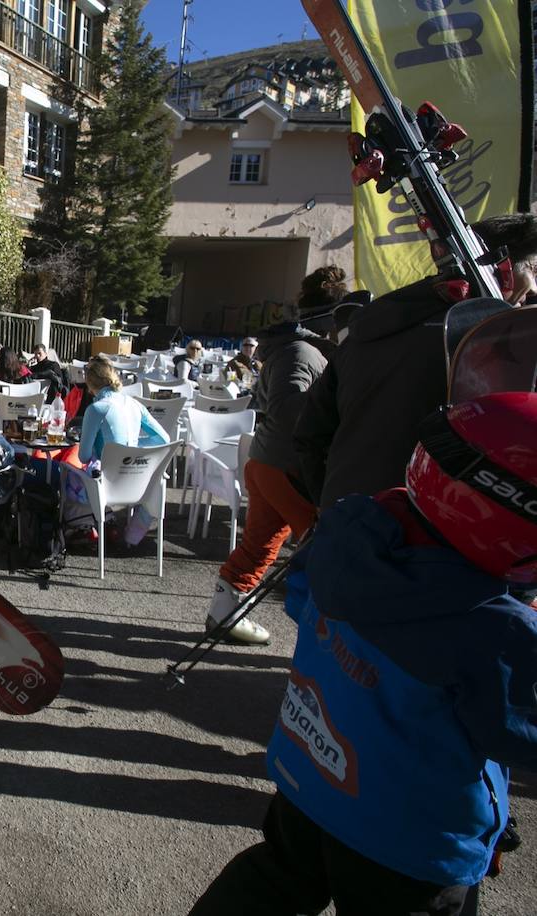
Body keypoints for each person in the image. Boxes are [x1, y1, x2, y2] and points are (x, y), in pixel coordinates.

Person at [189, 392, 537, 916]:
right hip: (412, 838)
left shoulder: (354, 532)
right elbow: (520, 734)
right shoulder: (496, 627)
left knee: (275, 878)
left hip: (311, 781)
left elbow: (303, 597)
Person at [294, 213, 537, 509]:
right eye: (534, 270)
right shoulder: (492, 342)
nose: (535, 288)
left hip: (351, 519)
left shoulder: (369, 327)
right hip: (432, 527)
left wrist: (331, 505)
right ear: (505, 267)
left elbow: (309, 435)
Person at [203, 268, 339, 646]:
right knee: (325, 549)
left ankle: (224, 614)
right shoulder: (302, 352)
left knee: (263, 542)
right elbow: (288, 408)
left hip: (270, 460)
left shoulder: (298, 349)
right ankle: (327, 636)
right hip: (287, 464)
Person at [71, 356, 170, 549]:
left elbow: (84, 456)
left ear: (91, 385)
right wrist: (132, 445)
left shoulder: (96, 408)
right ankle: (131, 536)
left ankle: (86, 526)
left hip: (108, 485)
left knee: (67, 472)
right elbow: (163, 439)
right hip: (139, 483)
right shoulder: (134, 404)